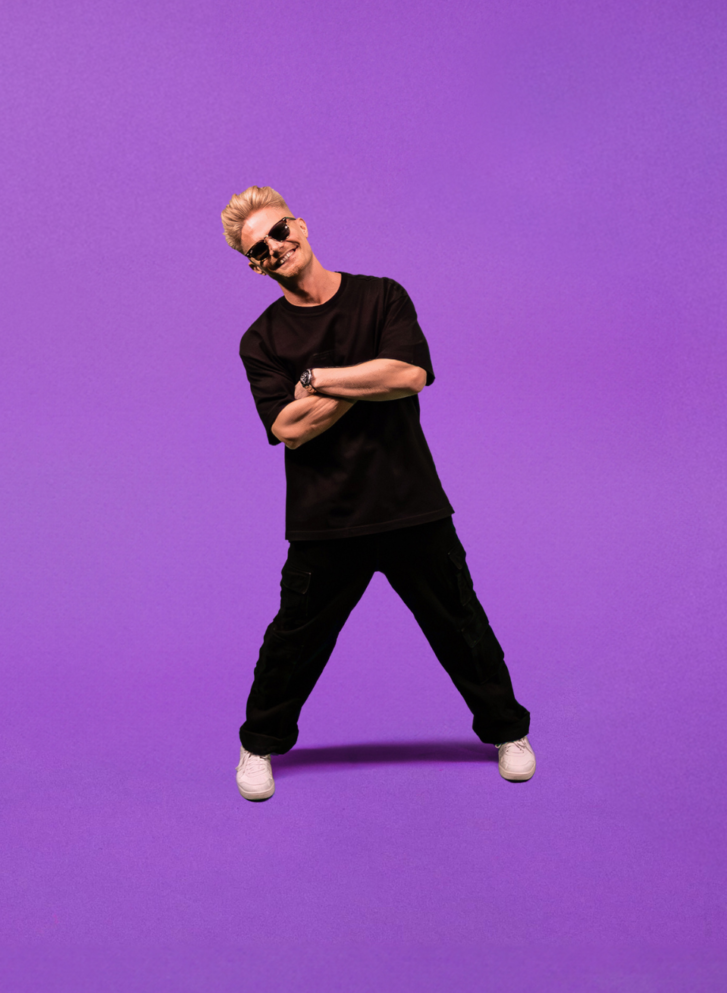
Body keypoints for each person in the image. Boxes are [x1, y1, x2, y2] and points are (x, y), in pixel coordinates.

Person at [221, 186, 535, 801]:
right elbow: (288, 429)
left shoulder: (382, 295)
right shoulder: (260, 340)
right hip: (324, 517)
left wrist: (318, 380)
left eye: (279, 231)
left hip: (410, 503)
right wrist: (368, 376)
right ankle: (257, 745)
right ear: (255, 266)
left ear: (301, 225)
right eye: (259, 249)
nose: (275, 248)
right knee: (293, 643)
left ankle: (509, 733)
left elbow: (410, 374)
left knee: (462, 625)